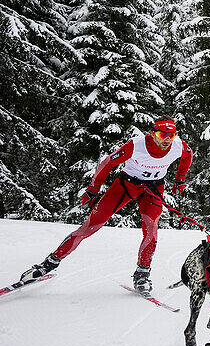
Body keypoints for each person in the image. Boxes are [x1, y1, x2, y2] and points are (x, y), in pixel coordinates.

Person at [19, 118, 193, 294]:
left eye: (171, 136)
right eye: (162, 134)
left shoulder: (178, 146)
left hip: (153, 188)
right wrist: (93, 188)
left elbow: (188, 156)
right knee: (90, 226)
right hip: (126, 185)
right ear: (152, 134)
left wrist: (180, 179)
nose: (167, 139)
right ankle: (48, 264)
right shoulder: (137, 145)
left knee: (151, 228)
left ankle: (142, 273)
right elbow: (108, 162)